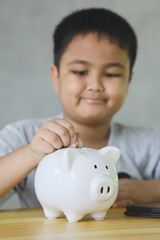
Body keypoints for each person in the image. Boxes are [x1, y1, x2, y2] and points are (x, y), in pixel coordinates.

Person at [0, 8, 160, 209]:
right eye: (80, 71)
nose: (95, 85)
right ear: (56, 77)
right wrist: (30, 155)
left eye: (111, 74)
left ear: (129, 80)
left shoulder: (147, 144)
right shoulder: (22, 136)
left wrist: (147, 191)